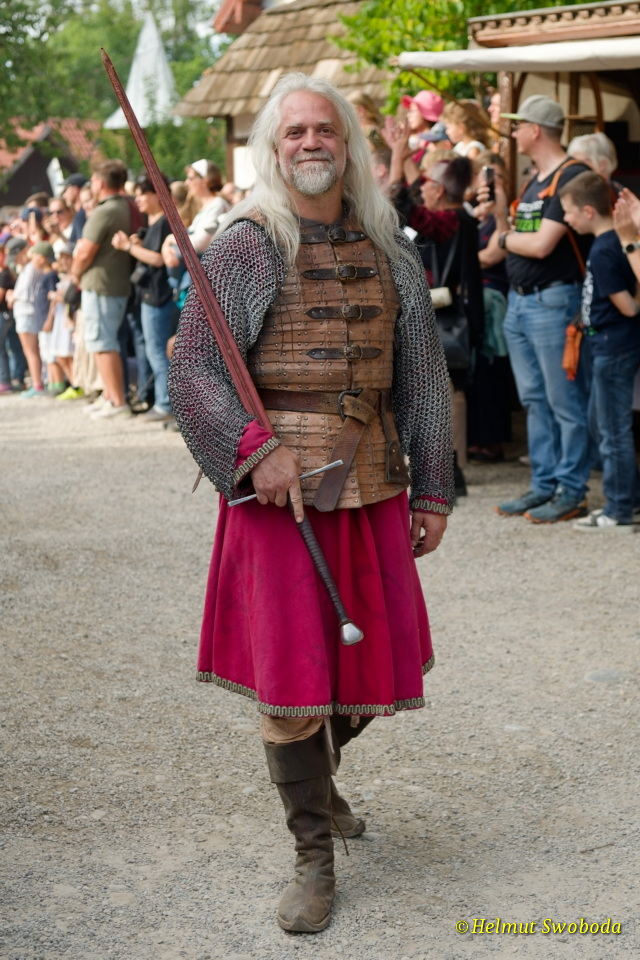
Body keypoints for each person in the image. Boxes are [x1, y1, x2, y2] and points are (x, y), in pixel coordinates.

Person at [168, 72, 453, 933]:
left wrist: (435, 486)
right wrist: (254, 452)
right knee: (293, 684)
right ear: (272, 147)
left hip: (372, 480)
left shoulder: (388, 246)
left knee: (369, 675)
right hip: (279, 495)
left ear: (348, 143)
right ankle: (312, 857)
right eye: (293, 132)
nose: (310, 143)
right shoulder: (248, 245)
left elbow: (422, 376)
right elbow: (192, 367)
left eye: (323, 129)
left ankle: (320, 785)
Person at [486, 95, 592, 523]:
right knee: (535, 399)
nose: (513, 133)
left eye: (518, 126)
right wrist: (501, 215)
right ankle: (545, 485)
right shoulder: (536, 179)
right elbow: (516, 237)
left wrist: (504, 239)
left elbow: (541, 244)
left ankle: (571, 490)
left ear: (535, 129)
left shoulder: (571, 175)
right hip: (525, 302)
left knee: (563, 401)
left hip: (553, 300)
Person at [558, 172, 640, 529]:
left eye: (568, 211)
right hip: (607, 345)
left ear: (589, 211)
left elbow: (629, 308)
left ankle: (619, 508)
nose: (566, 219)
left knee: (612, 430)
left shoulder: (606, 249)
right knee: (603, 423)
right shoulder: (610, 244)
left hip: (612, 346)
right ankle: (629, 498)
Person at [70, 159, 133, 420]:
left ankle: (116, 400)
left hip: (101, 284)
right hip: (113, 284)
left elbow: (85, 251)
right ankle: (109, 396)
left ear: (101, 182)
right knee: (102, 342)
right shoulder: (125, 206)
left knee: (102, 343)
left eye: (94, 179)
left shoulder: (105, 210)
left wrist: (74, 274)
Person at [112, 174, 177, 423]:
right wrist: (138, 243)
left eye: (142, 194)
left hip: (159, 296)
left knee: (158, 351)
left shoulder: (164, 222)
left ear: (157, 194)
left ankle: (165, 404)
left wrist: (129, 248)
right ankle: (161, 400)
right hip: (151, 295)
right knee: (155, 350)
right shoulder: (154, 222)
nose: (137, 199)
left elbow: (158, 259)